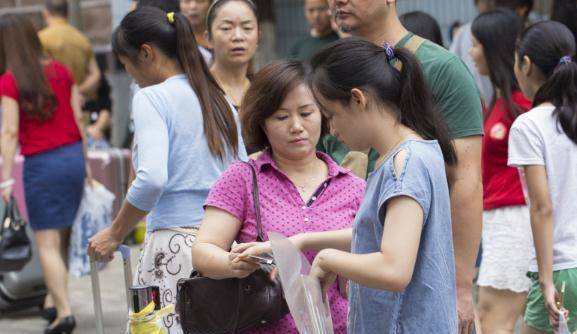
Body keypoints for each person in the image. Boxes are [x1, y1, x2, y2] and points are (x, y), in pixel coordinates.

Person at [87, 7, 247, 334]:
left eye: (127, 64)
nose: (130, 74)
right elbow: (244, 173)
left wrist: (116, 232)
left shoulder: (152, 98)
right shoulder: (219, 99)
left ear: (146, 53)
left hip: (174, 249)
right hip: (223, 250)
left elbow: (151, 179)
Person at [327, 1, 483, 331]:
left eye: (332, 116)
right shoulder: (334, 72)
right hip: (365, 284)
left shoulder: (442, 71)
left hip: (411, 299)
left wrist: (460, 288)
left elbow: (466, 181)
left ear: (359, 99)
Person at [192, 59, 366, 333]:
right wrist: (232, 263)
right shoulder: (243, 177)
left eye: (306, 113)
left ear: (323, 114)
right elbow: (203, 251)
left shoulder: (353, 186)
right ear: (261, 122)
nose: (296, 126)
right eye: (281, 117)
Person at [304, 37, 458, 333]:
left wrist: (328, 259)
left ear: (358, 99)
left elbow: (394, 268)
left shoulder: (405, 164)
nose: (332, 130)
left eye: (331, 115)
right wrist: (306, 241)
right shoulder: (409, 153)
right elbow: (375, 234)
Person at [0, 14, 89, 334]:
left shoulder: (10, 81)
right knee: (61, 237)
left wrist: (6, 178)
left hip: (43, 165)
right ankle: (53, 301)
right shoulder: (62, 72)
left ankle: (64, 313)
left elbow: (9, 132)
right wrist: (87, 166)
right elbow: (79, 120)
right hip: (72, 160)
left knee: (47, 243)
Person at [469, 8, 534, 334]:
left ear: (493, 47)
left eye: (476, 44)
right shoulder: (498, 101)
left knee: (497, 319)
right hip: (498, 218)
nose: (470, 51)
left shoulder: (522, 104)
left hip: (514, 218)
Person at [510, 20, 577, 334]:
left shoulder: (529, 125)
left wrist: (546, 279)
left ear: (526, 64)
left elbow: (542, 207)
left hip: (561, 267)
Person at [39, 0, 101, 103]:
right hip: (78, 104)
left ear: (45, 13)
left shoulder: (40, 38)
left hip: (52, 105)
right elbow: (95, 75)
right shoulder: (82, 39)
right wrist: (77, 90)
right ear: (67, 13)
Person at [207, 0, 259, 110]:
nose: (238, 37)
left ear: (258, 36)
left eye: (247, 28)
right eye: (226, 28)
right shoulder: (197, 90)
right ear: (208, 38)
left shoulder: (264, 91)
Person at [83, 54, 112, 150]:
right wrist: (87, 130)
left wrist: (94, 129)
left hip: (98, 143)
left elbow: (103, 119)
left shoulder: (103, 100)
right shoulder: (78, 98)